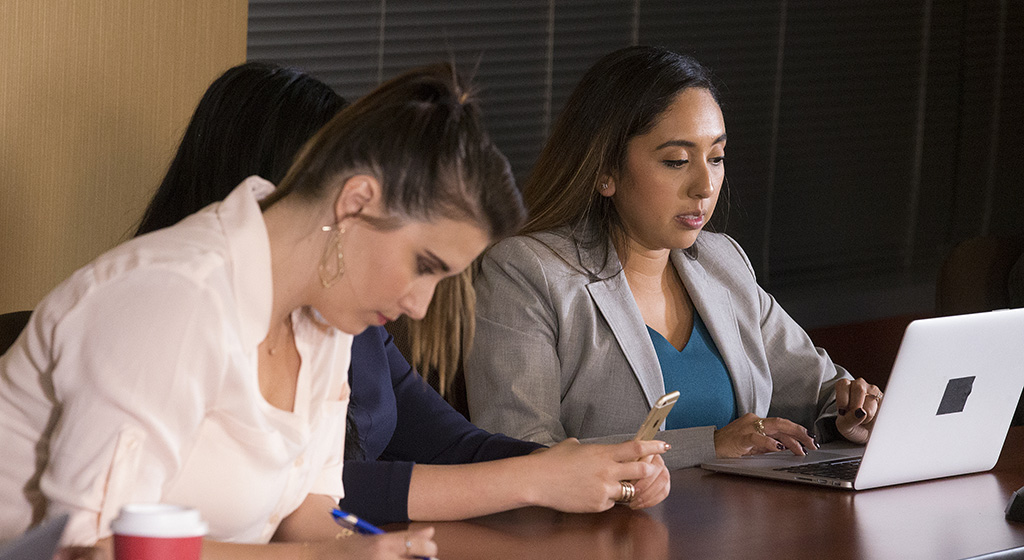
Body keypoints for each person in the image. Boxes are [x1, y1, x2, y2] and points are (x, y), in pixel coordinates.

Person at [0, 62, 661, 560]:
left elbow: (306, 512)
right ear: (355, 202)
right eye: (425, 266)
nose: (418, 304)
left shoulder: (319, 318)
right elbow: (95, 547)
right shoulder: (172, 298)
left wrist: (372, 548)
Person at [465, 46, 883, 470]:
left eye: (716, 158)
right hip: (602, 533)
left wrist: (851, 414)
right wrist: (710, 445)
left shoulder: (723, 262)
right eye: (677, 161)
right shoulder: (526, 272)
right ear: (604, 172)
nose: (705, 185)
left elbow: (822, 391)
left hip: (743, 529)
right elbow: (520, 451)